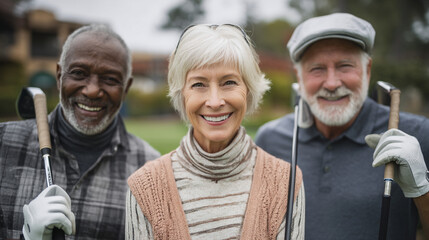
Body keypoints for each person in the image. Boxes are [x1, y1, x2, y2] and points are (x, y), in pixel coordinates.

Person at [255, 12, 429, 239]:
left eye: (345, 66)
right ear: (298, 75)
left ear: (367, 69)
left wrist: (422, 191)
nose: (332, 83)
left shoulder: (418, 135)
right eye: (316, 69)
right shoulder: (269, 139)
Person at [125, 24, 305, 239]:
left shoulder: (286, 182)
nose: (215, 101)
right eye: (199, 84)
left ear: (248, 90)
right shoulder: (145, 187)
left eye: (229, 82)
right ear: (181, 94)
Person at [0, 24, 160, 240]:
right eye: (79, 73)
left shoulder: (152, 171)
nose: (92, 90)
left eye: (110, 79)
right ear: (59, 76)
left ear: (126, 88)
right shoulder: (3, 143)